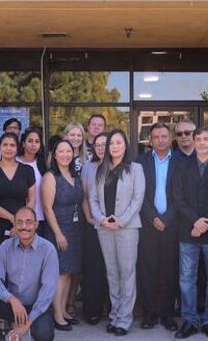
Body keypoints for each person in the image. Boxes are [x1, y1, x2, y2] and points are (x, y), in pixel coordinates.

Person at [171, 127, 208, 340]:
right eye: (199, 139)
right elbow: (177, 197)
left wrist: (206, 223)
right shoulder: (181, 166)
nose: (202, 143)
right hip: (188, 231)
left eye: (207, 139)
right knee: (186, 278)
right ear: (194, 143)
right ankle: (190, 320)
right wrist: (195, 221)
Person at [89, 129, 145, 336]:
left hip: (127, 228)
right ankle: (114, 315)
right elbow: (93, 199)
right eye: (111, 143)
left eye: (119, 143)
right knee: (112, 273)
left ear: (125, 146)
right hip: (104, 228)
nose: (114, 146)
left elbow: (137, 199)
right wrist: (101, 219)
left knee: (127, 272)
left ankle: (124, 319)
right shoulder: (100, 170)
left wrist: (120, 221)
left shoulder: (135, 168)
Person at [0, 206, 60, 341]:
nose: (24, 227)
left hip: (36, 307)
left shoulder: (48, 250)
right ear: (14, 225)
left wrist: (27, 324)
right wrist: (11, 299)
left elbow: (47, 292)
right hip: (13, 305)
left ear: (36, 224)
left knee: (44, 334)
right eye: (19, 222)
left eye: (28, 222)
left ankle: (26, 328)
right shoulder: (5, 247)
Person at [139, 123, 181, 331]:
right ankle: (149, 313)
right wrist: (153, 217)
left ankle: (167, 314)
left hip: (172, 226)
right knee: (148, 270)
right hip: (148, 225)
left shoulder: (181, 161)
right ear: (151, 140)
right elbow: (140, 195)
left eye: (164, 136)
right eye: (156, 137)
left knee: (169, 271)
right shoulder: (141, 162)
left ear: (170, 138)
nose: (161, 140)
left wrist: (167, 218)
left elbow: (182, 196)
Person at [0, 132, 36, 280]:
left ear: (17, 148)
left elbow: (31, 201)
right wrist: (12, 218)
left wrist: (20, 223)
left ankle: (17, 300)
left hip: (21, 227)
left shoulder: (27, 171)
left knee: (18, 264)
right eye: (5, 145)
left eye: (12, 145)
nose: (8, 148)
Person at [41, 140, 83, 330]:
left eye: (68, 151)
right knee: (60, 273)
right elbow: (47, 208)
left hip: (75, 229)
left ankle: (64, 310)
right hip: (59, 229)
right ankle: (57, 314)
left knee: (68, 272)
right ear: (55, 155)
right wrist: (58, 234)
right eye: (61, 151)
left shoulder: (74, 174)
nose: (65, 154)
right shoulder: (51, 176)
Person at [80, 132, 109, 325]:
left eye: (104, 144)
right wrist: (90, 218)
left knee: (113, 268)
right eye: (97, 145)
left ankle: (113, 309)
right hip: (92, 224)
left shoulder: (118, 166)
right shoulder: (88, 167)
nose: (100, 148)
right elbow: (84, 196)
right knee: (93, 268)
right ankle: (93, 310)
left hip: (115, 225)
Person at [18, 128, 49, 225]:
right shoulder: (15, 162)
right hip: (19, 217)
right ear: (23, 144)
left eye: (37, 142)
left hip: (40, 216)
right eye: (30, 141)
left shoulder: (42, 163)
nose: (33, 144)